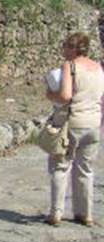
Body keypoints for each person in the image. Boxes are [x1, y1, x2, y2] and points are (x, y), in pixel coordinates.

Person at [45, 32, 104, 226]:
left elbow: (65, 96)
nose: (63, 50)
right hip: (93, 123)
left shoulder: (69, 67)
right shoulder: (98, 68)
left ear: (73, 48)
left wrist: (50, 94)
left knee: (60, 166)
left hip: (73, 122)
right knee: (85, 170)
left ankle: (56, 213)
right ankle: (84, 214)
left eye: (65, 46)